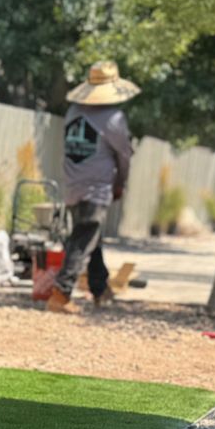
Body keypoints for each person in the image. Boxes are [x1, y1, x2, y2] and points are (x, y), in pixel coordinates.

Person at [49, 60, 140, 314]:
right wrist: (120, 183)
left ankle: (101, 290)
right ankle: (60, 293)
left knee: (90, 237)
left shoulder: (73, 112)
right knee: (83, 239)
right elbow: (124, 156)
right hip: (96, 188)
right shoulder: (114, 119)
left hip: (73, 186)